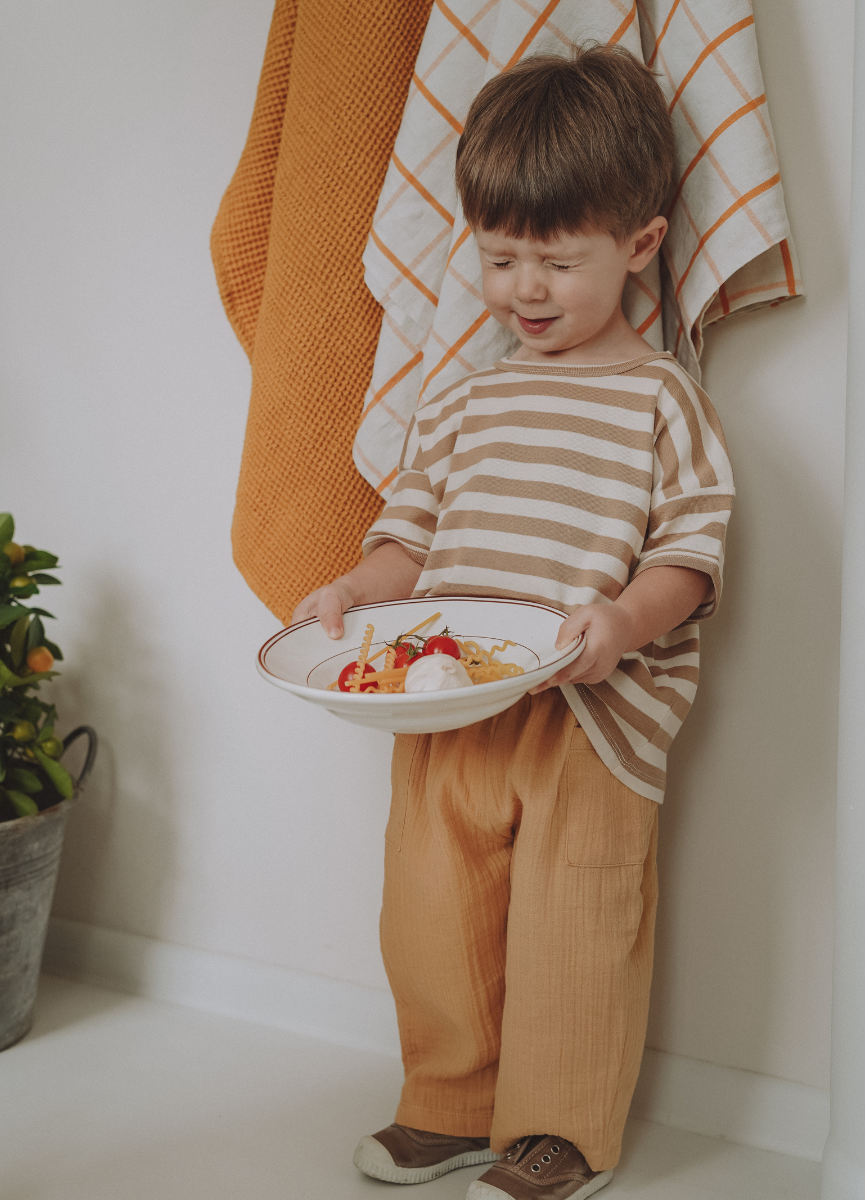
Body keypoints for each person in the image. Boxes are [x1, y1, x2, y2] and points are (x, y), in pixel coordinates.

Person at [292, 44, 734, 1200]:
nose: (523, 290)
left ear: (639, 245)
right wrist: (351, 593)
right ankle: (449, 1102)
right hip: (449, 695)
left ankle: (561, 1128)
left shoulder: (661, 398)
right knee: (431, 906)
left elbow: (691, 557)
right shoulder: (467, 397)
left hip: (591, 713)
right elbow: (409, 532)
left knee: (575, 919)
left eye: (556, 261)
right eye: (499, 259)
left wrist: (622, 623)